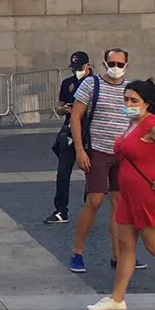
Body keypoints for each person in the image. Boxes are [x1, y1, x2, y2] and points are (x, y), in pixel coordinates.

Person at [85, 80, 155, 310]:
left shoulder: (152, 124)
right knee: (125, 245)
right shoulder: (132, 123)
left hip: (146, 190)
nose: (128, 104)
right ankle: (117, 297)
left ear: (147, 103)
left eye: (134, 100)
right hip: (128, 192)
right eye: (126, 99)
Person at [69, 49, 139, 275]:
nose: (116, 67)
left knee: (119, 205)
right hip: (98, 150)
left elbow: (137, 118)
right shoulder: (91, 85)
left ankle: (119, 254)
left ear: (127, 65)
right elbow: (75, 117)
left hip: (123, 153)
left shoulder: (131, 89)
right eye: (112, 63)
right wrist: (80, 149)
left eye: (120, 63)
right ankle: (77, 252)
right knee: (95, 200)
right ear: (104, 63)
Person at [47, 52, 91, 225]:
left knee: (91, 173)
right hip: (69, 132)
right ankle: (60, 210)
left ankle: (88, 208)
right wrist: (63, 110)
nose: (76, 71)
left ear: (87, 65)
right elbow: (59, 106)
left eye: (79, 67)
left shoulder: (94, 83)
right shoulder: (68, 83)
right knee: (63, 173)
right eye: (74, 68)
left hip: (89, 131)